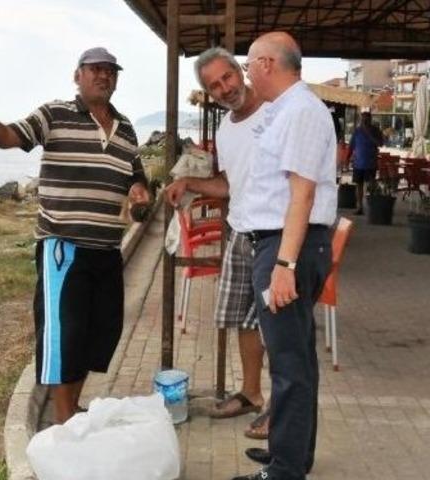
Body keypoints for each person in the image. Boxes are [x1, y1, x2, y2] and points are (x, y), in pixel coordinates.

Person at [0, 47, 150, 425]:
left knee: (100, 333)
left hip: (106, 250)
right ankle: (65, 419)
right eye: (95, 70)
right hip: (63, 248)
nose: (104, 76)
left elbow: (136, 175)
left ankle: (71, 409)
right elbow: (9, 135)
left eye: (110, 71)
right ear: (78, 76)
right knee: (64, 338)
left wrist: (139, 191)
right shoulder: (54, 114)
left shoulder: (127, 129)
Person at [232, 32, 336, 480]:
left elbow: (302, 194)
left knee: (289, 364)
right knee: (297, 360)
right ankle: (289, 454)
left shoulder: (300, 111)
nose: (246, 73)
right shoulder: (285, 111)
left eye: (249, 64)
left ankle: (286, 469)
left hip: (286, 244)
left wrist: (284, 265)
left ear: (268, 63)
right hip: (279, 242)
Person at [163, 47, 269, 431]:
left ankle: (285, 410)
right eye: (214, 86)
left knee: (280, 327)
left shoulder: (276, 113)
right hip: (241, 232)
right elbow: (228, 183)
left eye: (226, 77)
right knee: (244, 319)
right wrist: (188, 181)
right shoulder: (226, 129)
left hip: (274, 236)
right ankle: (252, 393)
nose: (224, 88)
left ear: (240, 71)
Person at [349, 111, 384, 215]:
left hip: (371, 163)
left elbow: (380, 143)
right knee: (358, 185)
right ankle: (360, 207)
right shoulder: (357, 131)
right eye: (363, 119)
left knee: (371, 185)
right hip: (358, 163)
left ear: (370, 119)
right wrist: (347, 159)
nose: (364, 121)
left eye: (366, 119)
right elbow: (351, 146)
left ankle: (372, 207)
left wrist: (369, 134)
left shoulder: (376, 130)